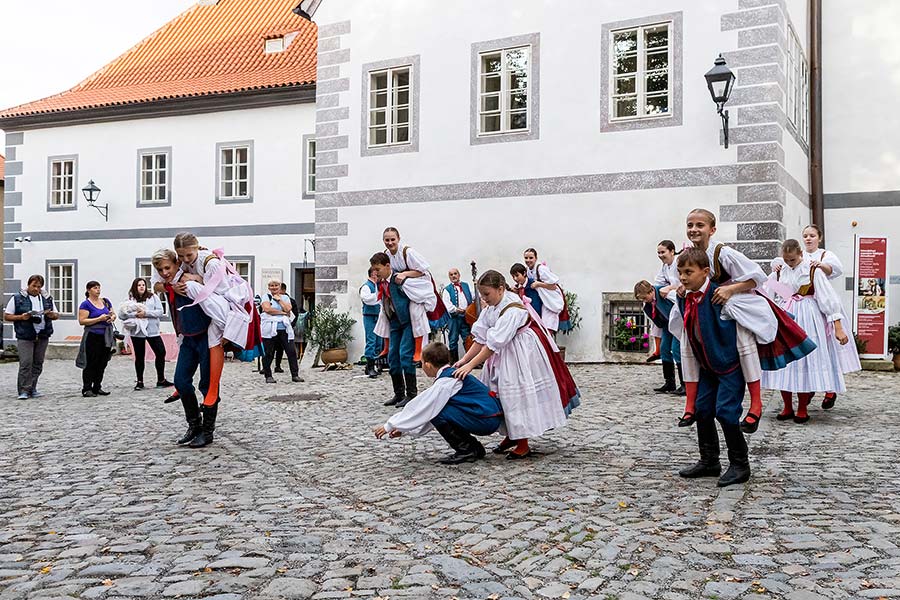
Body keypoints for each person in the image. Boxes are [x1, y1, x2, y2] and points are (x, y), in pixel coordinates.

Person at [453, 270, 580, 460]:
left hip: (519, 353)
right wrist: (464, 360)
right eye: (482, 294)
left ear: (501, 289)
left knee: (517, 395)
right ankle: (511, 435)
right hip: (503, 351)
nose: (483, 298)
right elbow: (480, 338)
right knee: (498, 394)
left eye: (487, 294)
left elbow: (492, 344)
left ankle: (523, 442)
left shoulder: (512, 309)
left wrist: (471, 366)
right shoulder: (492, 307)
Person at [669, 248, 752, 487]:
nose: (683, 277)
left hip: (728, 366)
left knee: (726, 411)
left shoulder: (720, 295)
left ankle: (740, 464)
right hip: (706, 366)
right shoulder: (684, 295)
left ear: (705, 272)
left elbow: (748, 319)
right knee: (703, 410)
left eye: (688, 272)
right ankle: (709, 460)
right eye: (680, 273)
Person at [772, 224, 861, 409]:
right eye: (805, 235)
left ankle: (821, 392)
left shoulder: (819, 261)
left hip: (812, 309)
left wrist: (837, 325)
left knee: (815, 351)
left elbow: (828, 286)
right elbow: (771, 289)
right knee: (788, 356)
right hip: (788, 309)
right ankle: (789, 404)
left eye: (812, 235)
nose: (808, 238)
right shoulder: (783, 268)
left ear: (819, 237)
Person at [373, 342, 504, 464]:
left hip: (486, 419)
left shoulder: (445, 382)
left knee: (440, 410)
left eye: (422, 362)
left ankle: (467, 449)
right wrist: (404, 430)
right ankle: (473, 448)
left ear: (428, 365)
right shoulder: (449, 376)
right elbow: (429, 412)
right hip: (487, 417)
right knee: (440, 409)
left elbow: (421, 408)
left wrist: (390, 425)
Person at [763, 240, 850, 423]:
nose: (789, 263)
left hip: (808, 316)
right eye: (786, 259)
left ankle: (802, 408)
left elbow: (828, 298)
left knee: (804, 360)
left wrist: (838, 327)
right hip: (785, 315)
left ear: (800, 254)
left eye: (792, 259)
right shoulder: (780, 271)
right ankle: (787, 406)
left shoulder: (812, 270)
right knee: (785, 361)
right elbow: (768, 294)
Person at [172, 232, 261, 407]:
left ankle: (212, 388)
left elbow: (223, 293)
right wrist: (173, 286)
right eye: (181, 256)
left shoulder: (210, 263)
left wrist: (198, 280)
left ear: (197, 247)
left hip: (226, 305)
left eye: (189, 255)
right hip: (204, 310)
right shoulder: (182, 262)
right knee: (185, 335)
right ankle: (182, 385)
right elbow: (165, 279)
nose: (185, 259)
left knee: (214, 337)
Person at [153, 249, 217, 448]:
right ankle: (194, 425)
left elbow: (212, 285)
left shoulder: (189, 278)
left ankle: (207, 431)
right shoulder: (168, 283)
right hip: (187, 338)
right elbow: (155, 285)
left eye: (167, 268)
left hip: (206, 337)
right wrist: (167, 286)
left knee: (208, 386)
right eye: (160, 269)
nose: (164, 272)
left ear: (176, 264)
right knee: (181, 381)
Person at [382, 227, 448, 367]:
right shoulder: (386, 255)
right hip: (401, 287)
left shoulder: (408, 252)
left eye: (392, 239)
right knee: (386, 310)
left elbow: (422, 270)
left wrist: (405, 274)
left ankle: (418, 350)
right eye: (387, 240)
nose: (390, 242)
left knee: (415, 311)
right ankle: (387, 346)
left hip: (419, 285)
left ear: (398, 239)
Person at [371, 252, 418, 407]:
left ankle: (411, 394)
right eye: (374, 269)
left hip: (407, 323)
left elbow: (418, 292)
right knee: (393, 357)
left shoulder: (399, 280)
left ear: (387, 266)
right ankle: (399, 394)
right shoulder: (381, 282)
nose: (375, 272)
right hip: (394, 323)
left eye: (378, 269)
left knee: (405, 355)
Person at [4, 275, 59, 399]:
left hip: (43, 334)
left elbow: (56, 315)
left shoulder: (47, 298)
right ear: (28, 285)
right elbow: (7, 316)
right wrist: (21, 317)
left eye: (39, 287)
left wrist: (50, 315)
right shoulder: (18, 298)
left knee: (38, 363)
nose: (36, 289)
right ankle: (23, 390)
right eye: (34, 286)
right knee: (26, 363)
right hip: (25, 334)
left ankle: (32, 388)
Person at [119, 277, 173, 391]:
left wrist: (146, 313)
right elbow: (122, 314)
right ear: (135, 287)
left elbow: (160, 312)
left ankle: (161, 379)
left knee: (160, 352)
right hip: (137, 332)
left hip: (152, 331)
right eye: (139, 285)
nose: (142, 287)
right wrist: (135, 314)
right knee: (139, 356)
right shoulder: (130, 299)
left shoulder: (153, 297)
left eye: (143, 284)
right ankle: (140, 381)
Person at [634, 279, 684, 396]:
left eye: (644, 298)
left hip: (678, 323)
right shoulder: (648, 304)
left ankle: (685, 384)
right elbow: (656, 319)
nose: (643, 301)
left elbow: (680, 302)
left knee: (676, 350)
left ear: (651, 291)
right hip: (667, 325)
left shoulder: (664, 294)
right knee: (664, 349)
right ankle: (669, 382)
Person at [76, 281, 116, 397]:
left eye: (99, 288)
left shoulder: (105, 301)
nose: (98, 290)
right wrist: (99, 319)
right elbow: (82, 321)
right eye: (95, 288)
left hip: (105, 335)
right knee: (91, 362)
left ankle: (97, 386)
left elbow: (113, 313)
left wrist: (111, 318)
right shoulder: (86, 304)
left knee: (102, 362)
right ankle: (87, 388)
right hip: (93, 335)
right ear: (89, 290)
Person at [260, 278, 303, 384]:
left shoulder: (285, 297)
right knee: (268, 353)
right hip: (270, 329)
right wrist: (282, 313)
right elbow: (267, 309)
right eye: (271, 285)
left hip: (284, 329)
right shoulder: (266, 297)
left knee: (291, 352)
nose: (274, 287)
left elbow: (288, 309)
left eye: (276, 285)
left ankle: (295, 374)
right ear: (269, 287)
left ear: (280, 287)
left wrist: (279, 300)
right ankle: (268, 375)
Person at [522, 248, 568, 334]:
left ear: (536, 258)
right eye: (526, 258)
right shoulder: (528, 270)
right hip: (542, 299)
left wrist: (539, 284)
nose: (528, 260)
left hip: (550, 299)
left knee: (548, 325)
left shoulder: (541, 269)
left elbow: (554, 286)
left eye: (531, 258)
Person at [441, 268, 474, 364]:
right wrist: (456, 309)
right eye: (451, 275)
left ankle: (471, 361)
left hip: (466, 317)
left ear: (459, 275)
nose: (453, 276)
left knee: (467, 338)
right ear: (449, 277)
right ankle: (454, 362)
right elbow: (447, 304)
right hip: (454, 318)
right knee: (453, 340)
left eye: (455, 274)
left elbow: (473, 297)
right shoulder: (447, 290)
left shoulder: (466, 286)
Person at [359, 267, 383, 378]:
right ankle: (370, 367)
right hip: (369, 316)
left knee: (379, 341)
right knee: (371, 340)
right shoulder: (366, 286)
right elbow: (367, 299)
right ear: (373, 274)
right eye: (376, 273)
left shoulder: (378, 286)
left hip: (379, 316)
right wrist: (378, 295)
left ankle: (376, 364)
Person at [274, 282, 300, 374]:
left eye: (278, 289)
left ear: (283, 290)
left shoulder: (290, 300)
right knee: (272, 350)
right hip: (273, 328)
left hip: (286, 328)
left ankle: (294, 373)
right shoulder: (270, 299)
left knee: (290, 351)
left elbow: (294, 314)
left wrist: (291, 325)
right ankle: (273, 367)